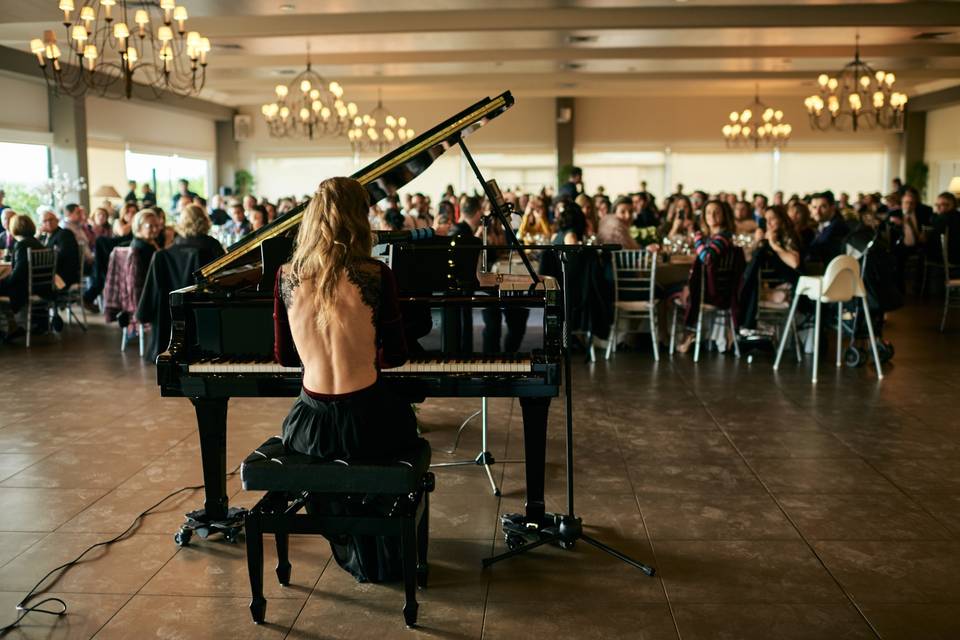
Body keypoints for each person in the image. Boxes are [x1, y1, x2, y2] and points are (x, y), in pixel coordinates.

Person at [273, 177, 418, 583]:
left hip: (310, 426)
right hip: (370, 421)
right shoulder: (376, 274)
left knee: (325, 471)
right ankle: (387, 550)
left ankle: (352, 544)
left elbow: (285, 358)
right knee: (408, 434)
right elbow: (398, 356)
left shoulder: (287, 275)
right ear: (360, 219)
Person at [0, 214, 44, 337]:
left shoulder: (22, 245)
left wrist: (4, 282)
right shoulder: (37, 243)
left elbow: (18, 274)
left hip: (25, 288)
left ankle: (9, 327)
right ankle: (12, 325)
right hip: (40, 285)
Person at [38, 208, 82, 289]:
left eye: (51, 220)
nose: (48, 223)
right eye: (45, 221)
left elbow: (64, 256)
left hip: (63, 276)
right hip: (51, 273)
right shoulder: (43, 237)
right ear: (41, 224)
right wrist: (38, 235)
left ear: (57, 220)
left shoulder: (64, 234)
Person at [807, 191, 849, 268]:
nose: (817, 212)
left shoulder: (837, 227)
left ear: (832, 207)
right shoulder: (822, 224)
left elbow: (818, 249)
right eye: (814, 207)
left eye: (823, 207)